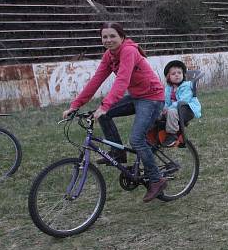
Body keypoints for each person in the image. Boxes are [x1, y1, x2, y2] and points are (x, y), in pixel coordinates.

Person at [61, 22, 167, 202]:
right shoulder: (109, 56)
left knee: (136, 139)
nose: (108, 40)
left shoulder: (129, 51)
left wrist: (106, 105)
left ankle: (156, 180)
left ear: (122, 37)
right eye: (104, 37)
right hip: (136, 96)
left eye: (112, 36)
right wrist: (75, 104)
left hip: (152, 97)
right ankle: (118, 153)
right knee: (104, 114)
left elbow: (122, 81)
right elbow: (96, 81)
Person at [161, 60, 202, 147]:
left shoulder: (187, 86)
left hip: (186, 109)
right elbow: (166, 101)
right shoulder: (169, 88)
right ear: (168, 77)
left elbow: (184, 100)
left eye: (179, 73)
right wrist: (164, 108)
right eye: (173, 73)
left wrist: (169, 108)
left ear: (183, 74)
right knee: (157, 112)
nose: (177, 75)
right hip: (174, 109)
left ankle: (172, 135)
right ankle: (158, 134)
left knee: (171, 112)